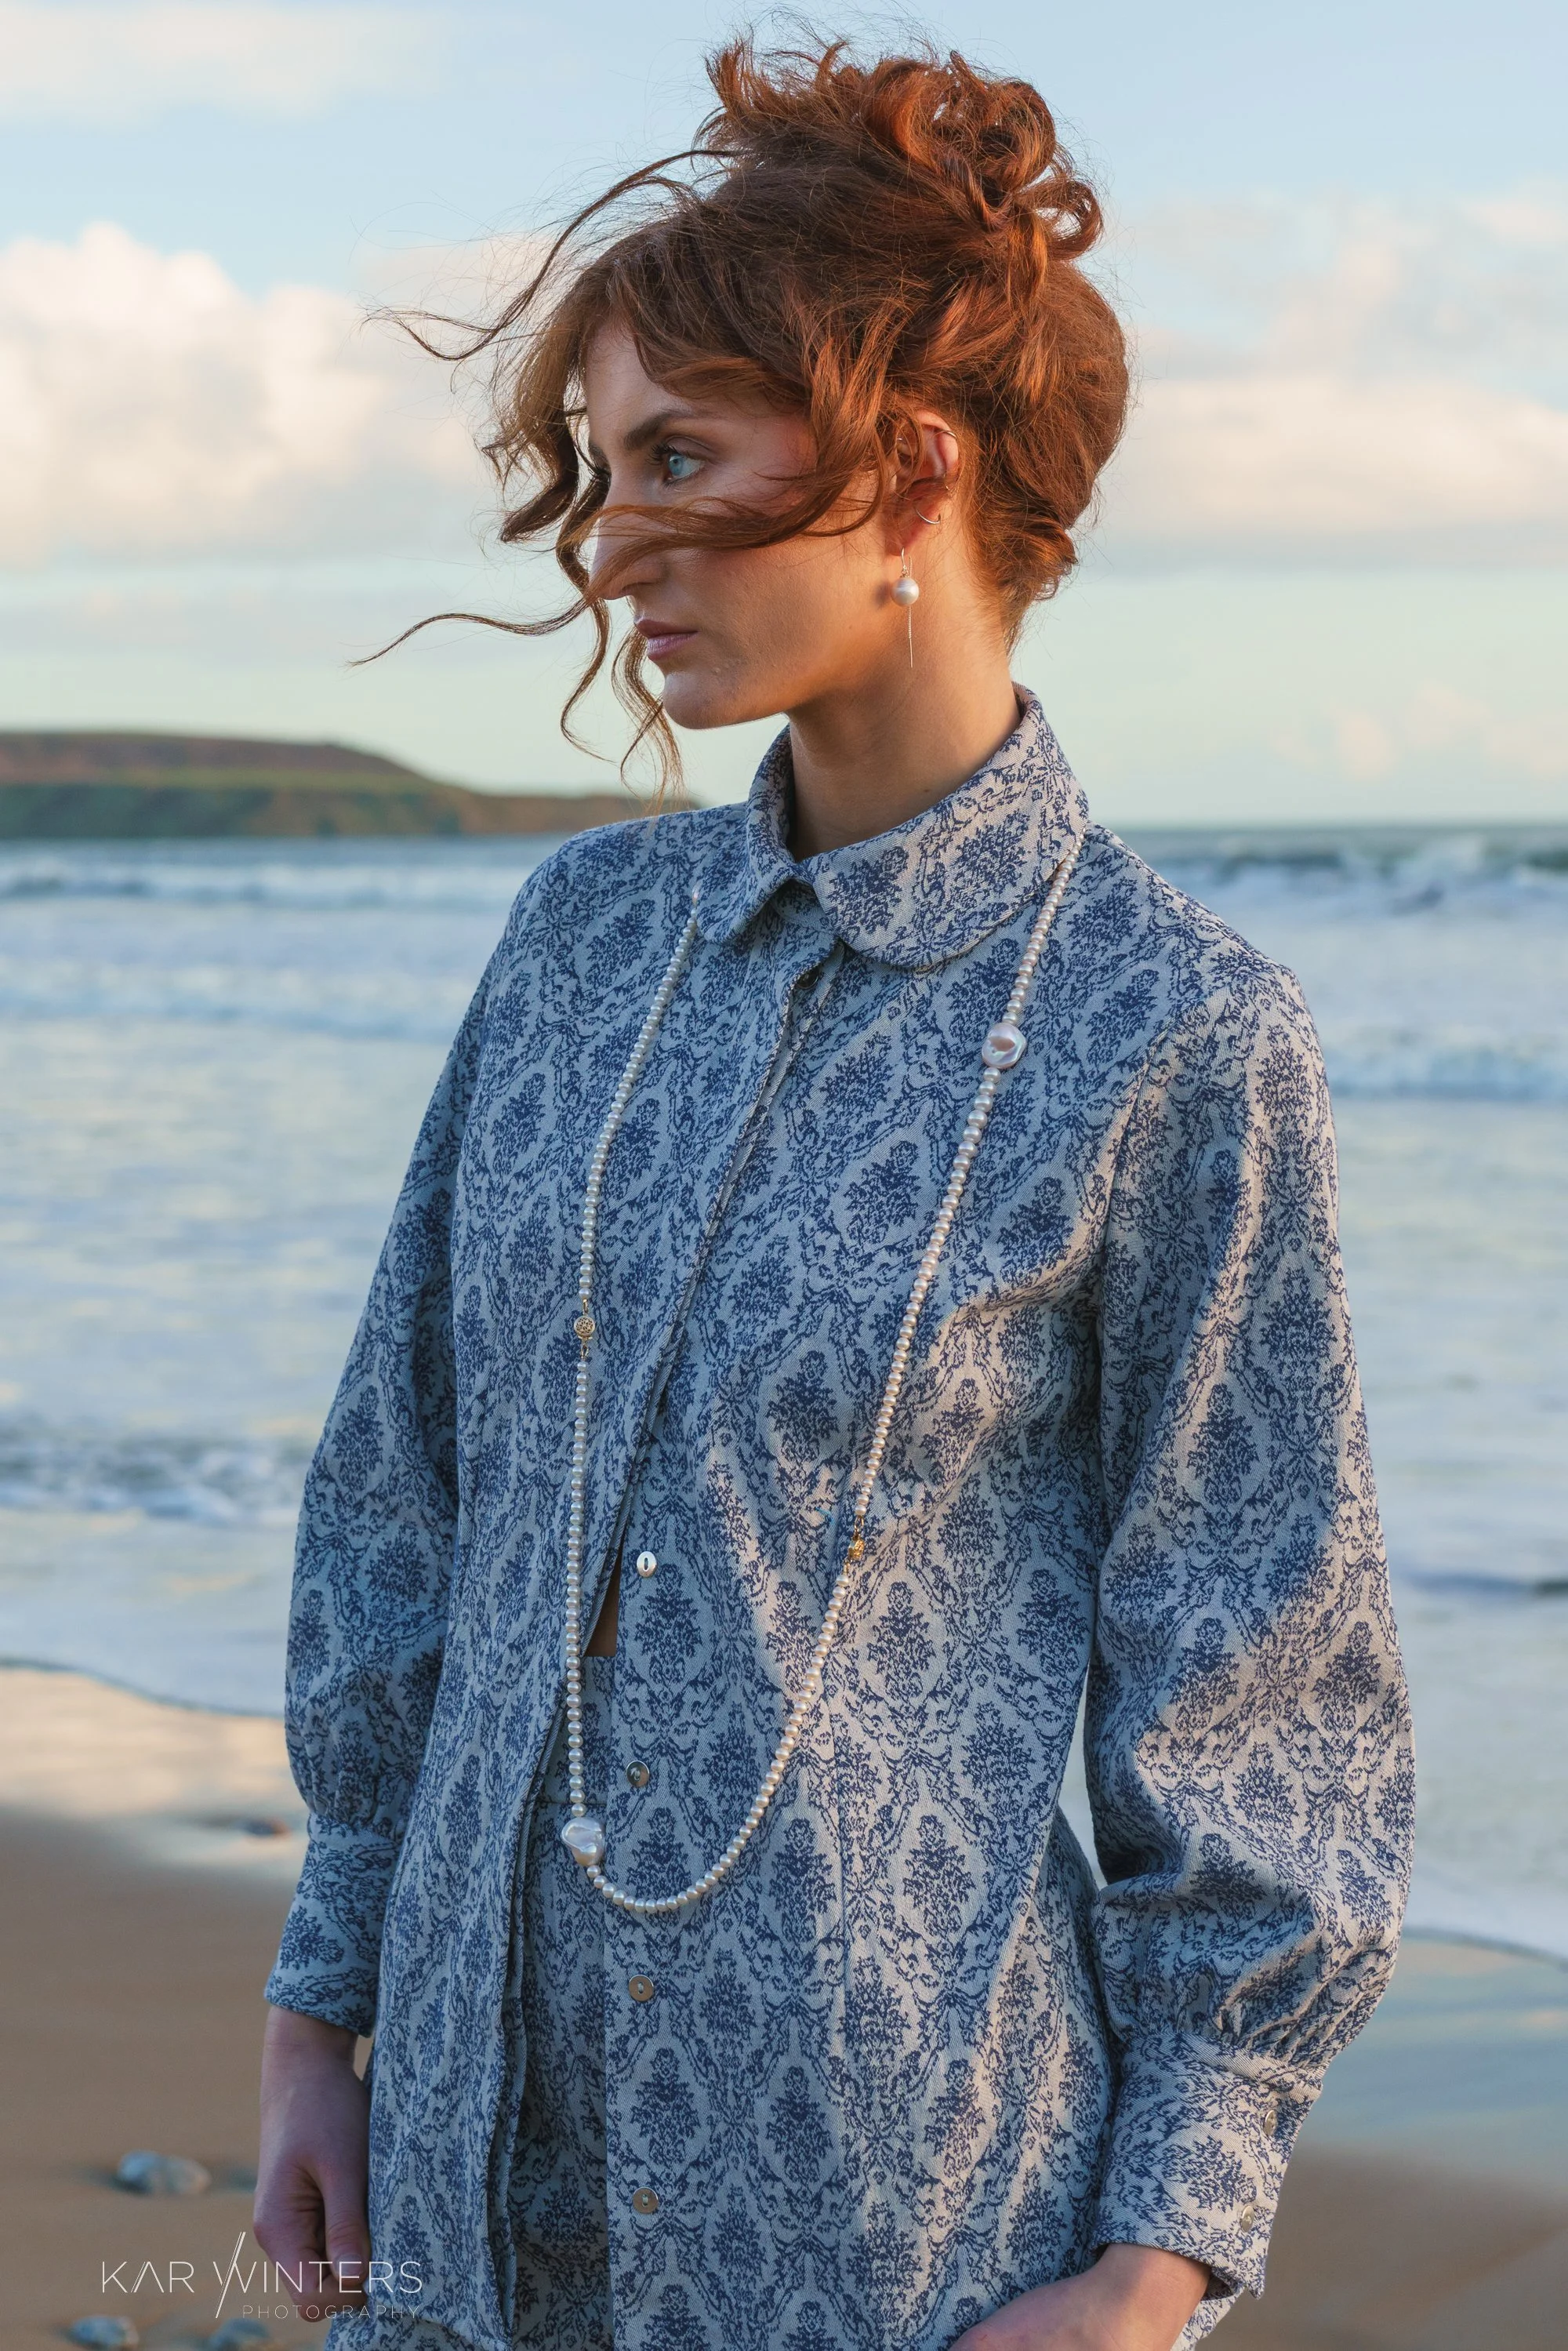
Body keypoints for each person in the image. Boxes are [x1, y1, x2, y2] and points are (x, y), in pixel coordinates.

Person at [254, 36, 1414, 2351]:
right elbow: (408, 1494)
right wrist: (321, 1999)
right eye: (601, 469)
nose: (613, 539)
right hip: (474, 2186)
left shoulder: (1178, 1031)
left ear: (912, 472)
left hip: (903, 2221)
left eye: (680, 457)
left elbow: (1262, 1690)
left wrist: (1157, 2265)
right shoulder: (577, 948)